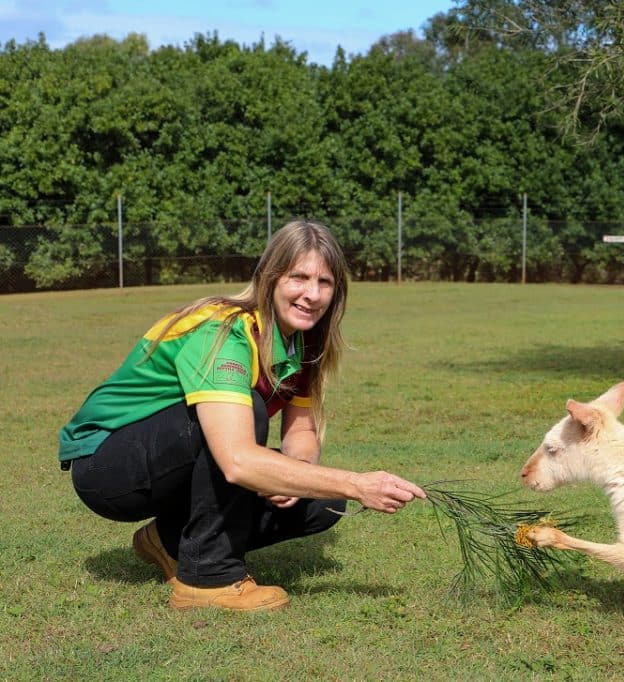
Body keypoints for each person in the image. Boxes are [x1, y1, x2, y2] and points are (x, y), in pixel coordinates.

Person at [58, 220, 425, 611]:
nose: (312, 295)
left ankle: (166, 541)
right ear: (270, 278)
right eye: (298, 278)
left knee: (320, 502)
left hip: (175, 457)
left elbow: (301, 436)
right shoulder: (225, 331)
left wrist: (293, 477)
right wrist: (356, 483)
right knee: (249, 417)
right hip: (106, 467)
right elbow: (235, 460)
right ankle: (207, 579)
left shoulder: (303, 342)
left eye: (325, 283)